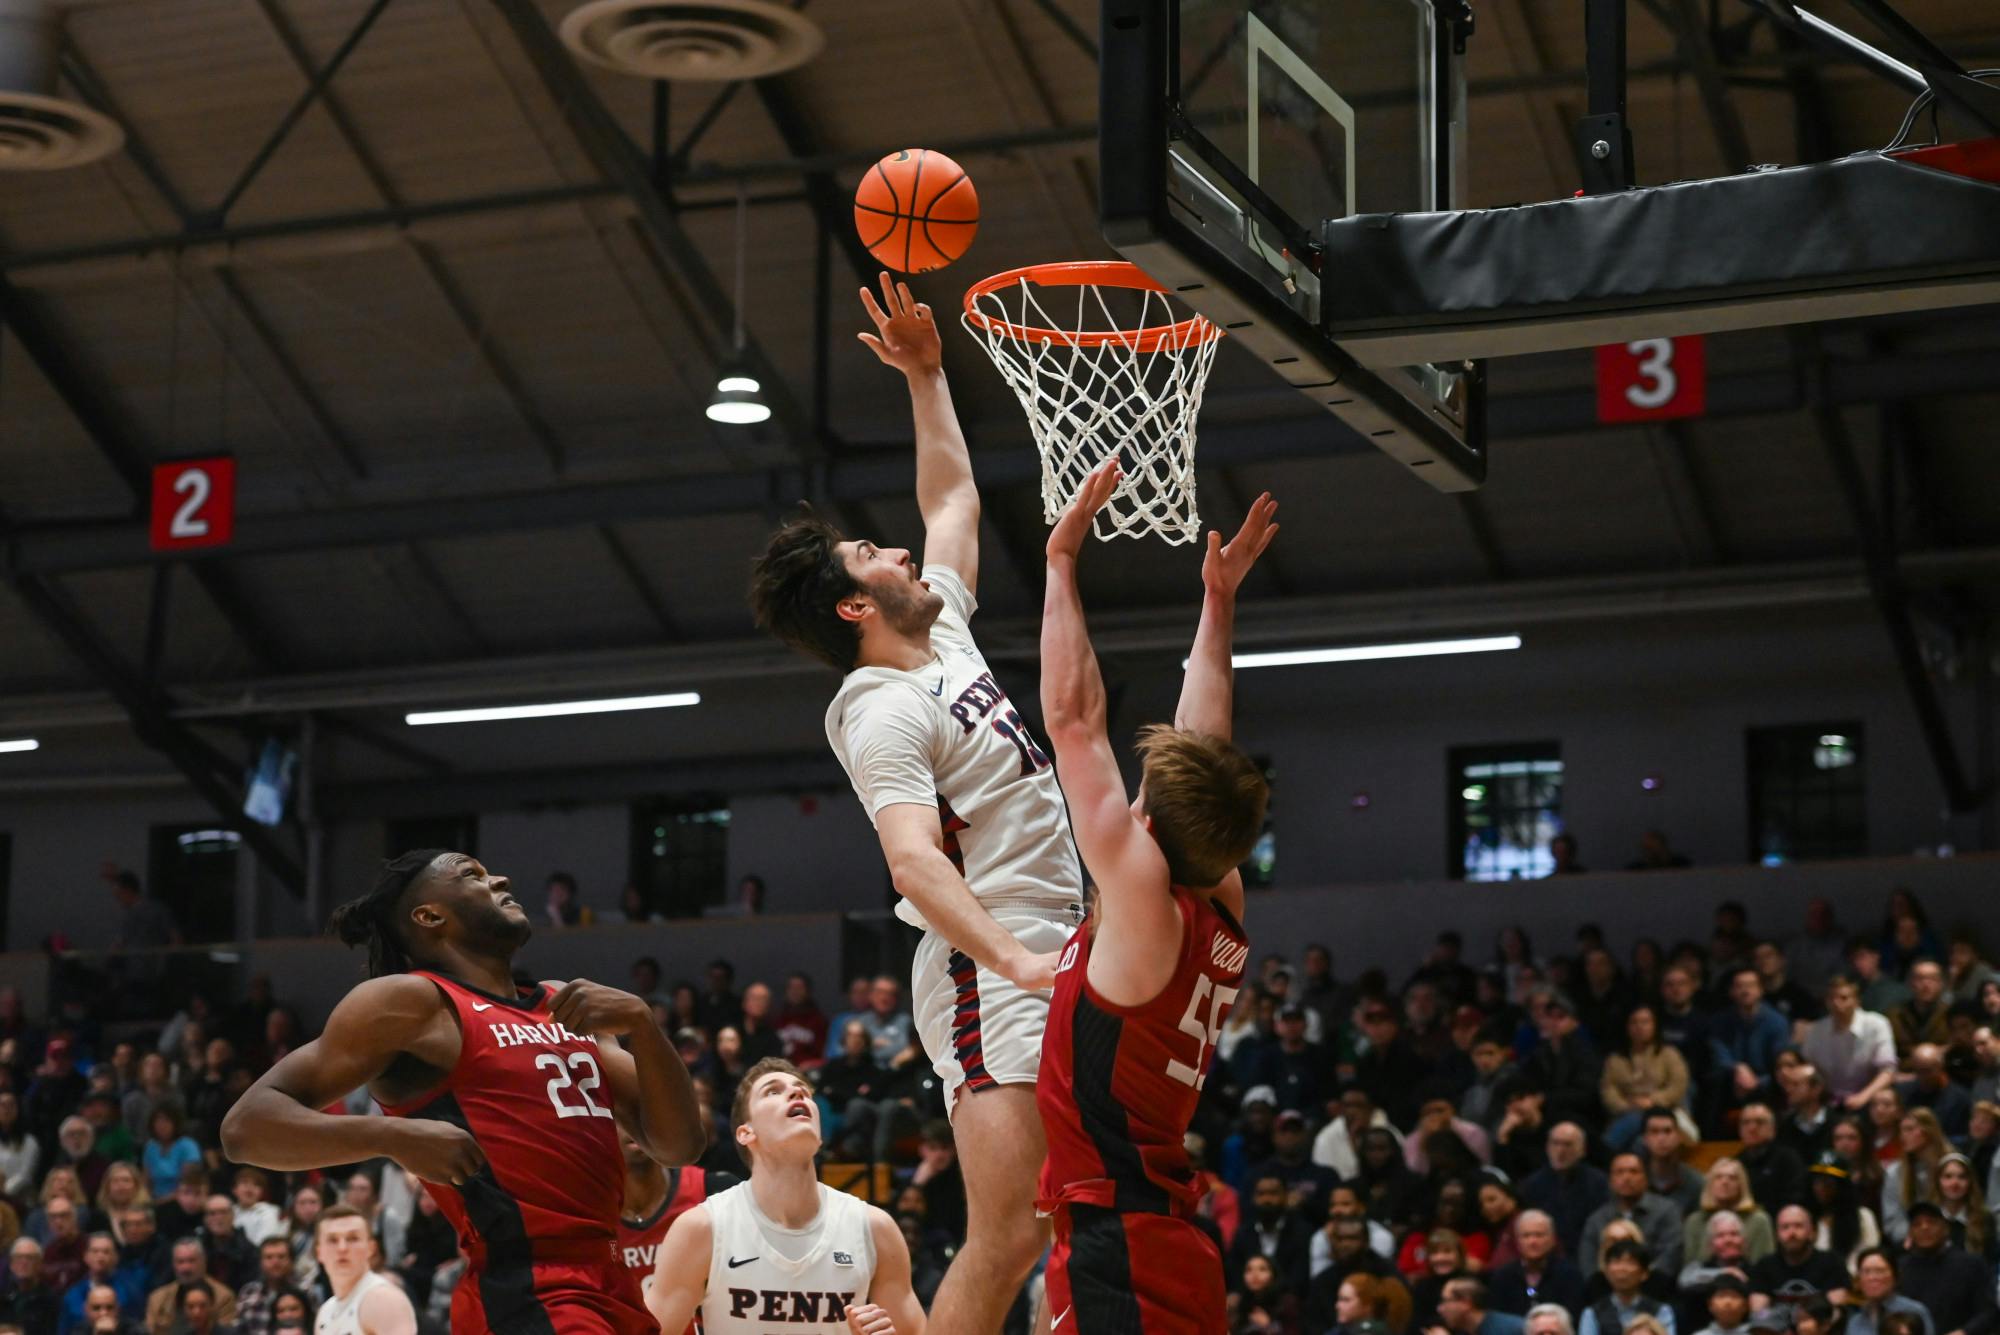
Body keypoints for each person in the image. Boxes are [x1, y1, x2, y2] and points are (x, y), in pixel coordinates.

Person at [751, 275, 1086, 1333]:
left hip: (1058, 939)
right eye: (874, 555)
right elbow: (911, 863)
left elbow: (950, 498)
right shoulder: (877, 708)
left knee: (1075, 1217)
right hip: (991, 967)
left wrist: (927, 375)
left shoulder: (940, 634)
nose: (902, 549)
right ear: (856, 605)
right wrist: (1017, 962)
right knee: (1013, 1232)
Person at [220, 850, 703, 1334]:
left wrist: (644, 1027)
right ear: (430, 916)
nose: (501, 876)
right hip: (529, 1287)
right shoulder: (411, 1002)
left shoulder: (564, 1004)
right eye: (472, 874)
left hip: (611, 1276)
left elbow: (679, 1144)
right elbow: (245, 1128)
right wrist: (392, 1138)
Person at [1034, 465, 1275, 1335]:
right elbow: (1204, 747)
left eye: (1139, 798)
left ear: (1147, 830)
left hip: (1124, 1241)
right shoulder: (1220, 889)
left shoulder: (1143, 905)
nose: (1127, 801)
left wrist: (1061, 560)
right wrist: (1217, 603)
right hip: (1152, 1230)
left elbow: (1072, 721)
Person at [645, 1058, 924, 1335]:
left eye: (802, 1089)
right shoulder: (702, 1228)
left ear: (820, 1136)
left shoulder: (875, 1229)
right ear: (745, 1133)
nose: (797, 1092)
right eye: (773, 1091)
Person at [615, 1127, 731, 1333]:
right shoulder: (587, 1217)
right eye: (620, 1116)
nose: (633, 1124)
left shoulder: (717, 1193)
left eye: (640, 1113)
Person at [1894, 1203, 1994, 1335]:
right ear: (1910, 1232)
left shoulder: (1971, 1264)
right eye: (1917, 1224)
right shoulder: (1901, 1268)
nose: (1924, 1228)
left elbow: (1989, 1311)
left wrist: (1965, 1332)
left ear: (1945, 1228)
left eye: (1931, 1222)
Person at [308, 1206, 412, 1335]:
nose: (342, 1248)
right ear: (319, 1252)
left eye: (352, 1238)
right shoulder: (325, 1311)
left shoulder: (384, 1299)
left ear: (371, 1248)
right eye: (333, 1240)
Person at [1602, 1008, 1690, 1154]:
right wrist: (1626, 1105)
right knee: (1637, 1142)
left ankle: (1604, 1152)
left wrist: (1652, 1101)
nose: (1640, 1027)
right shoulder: (1615, 1059)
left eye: (1645, 1022)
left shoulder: (1668, 1054)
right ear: (1627, 1027)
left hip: (1663, 1110)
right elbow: (1608, 1089)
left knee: (1640, 1118)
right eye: (1634, 1022)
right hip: (1626, 1111)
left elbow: (1678, 1085)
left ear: (1654, 1025)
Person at [1581, 1154, 1684, 1278]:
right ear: (1611, 1180)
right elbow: (1588, 1263)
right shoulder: (1597, 1219)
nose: (1626, 1177)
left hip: (1655, 1289)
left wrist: (1643, 1281)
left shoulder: (1666, 1211)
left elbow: (1670, 1255)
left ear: (1646, 1178)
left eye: (1634, 1172)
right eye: (1619, 1172)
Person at [1523, 1123, 1609, 1261]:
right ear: (1547, 1147)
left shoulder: (1599, 1183)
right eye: (1555, 1144)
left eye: (1567, 1145)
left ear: (1582, 1150)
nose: (1560, 1151)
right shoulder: (1532, 1185)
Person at [1746, 1206, 1849, 1312]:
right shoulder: (1764, 1266)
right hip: (1776, 1327)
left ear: (1812, 1233)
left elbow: (1836, 1314)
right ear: (1777, 1234)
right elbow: (1759, 1315)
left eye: (1798, 1226)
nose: (1792, 1233)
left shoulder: (1832, 1263)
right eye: (1785, 1227)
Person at [1486, 1211, 1585, 1318]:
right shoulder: (1502, 1277)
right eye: (1526, 1236)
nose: (1532, 1241)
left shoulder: (1570, 1276)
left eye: (1539, 1235)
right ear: (1517, 1242)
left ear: (1552, 1239)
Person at [1681, 1161, 1774, 1266]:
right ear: (1710, 1184)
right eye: (1718, 1177)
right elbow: (1689, 1269)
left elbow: (1765, 1267)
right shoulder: (1695, 1221)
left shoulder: (1759, 1221)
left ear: (1742, 1185)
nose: (1725, 1182)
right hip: (1703, 1279)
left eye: (1732, 1178)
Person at [1578, 1240, 1676, 1335]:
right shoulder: (1592, 1314)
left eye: (1630, 1262)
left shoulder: (1661, 1311)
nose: (1622, 1269)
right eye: (1616, 1262)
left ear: (1644, 1273)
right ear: (1606, 1271)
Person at [1881, 1110, 1949, 1244]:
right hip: (1910, 1243)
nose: (1902, 1137)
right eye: (1901, 1131)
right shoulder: (1895, 1173)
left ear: (1929, 1131)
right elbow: (1892, 1221)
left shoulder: (1952, 1168)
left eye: (1909, 1129)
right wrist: (1917, 1235)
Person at [145, 1239, 237, 1334]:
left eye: (191, 1261)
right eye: (180, 1262)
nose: (186, 1268)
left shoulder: (224, 1297)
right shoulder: (157, 1298)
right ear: (173, 1264)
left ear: (204, 1261)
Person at [1805, 1153, 1879, 1271]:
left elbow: (1868, 1258)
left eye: (1828, 1181)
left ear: (1842, 1185)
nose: (1821, 1187)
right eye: (1817, 1180)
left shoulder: (1863, 1217)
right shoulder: (1805, 1219)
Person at [1736, 1107, 1808, 1215]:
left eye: (1759, 1122)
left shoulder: (1788, 1160)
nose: (1752, 1128)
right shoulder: (1736, 1163)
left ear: (1773, 1129)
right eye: (1746, 1123)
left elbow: (1795, 1198)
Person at [1845, 1248, 1934, 1335]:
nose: (1872, 1277)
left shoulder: (1915, 1312)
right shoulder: (1855, 1322)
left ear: (1895, 1276)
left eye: (1879, 1271)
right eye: (1866, 1272)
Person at [1642, 1111, 1707, 1217]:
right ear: (1645, 1139)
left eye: (1667, 1131)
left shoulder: (1695, 1183)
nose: (1661, 1138)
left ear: (1679, 1137)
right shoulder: (1635, 1180)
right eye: (1654, 1132)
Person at [232, 1237, 299, 1335]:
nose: (275, 1262)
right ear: (260, 1262)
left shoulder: (305, 1291)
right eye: (269, 1257)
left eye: (281, 1257)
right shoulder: (249, 1292)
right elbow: (238, 1328)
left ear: (291, 1261)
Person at [1890, 963, 1951, 1057]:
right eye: (1920, 978)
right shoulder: (1895, 1015)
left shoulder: (1952, 1014)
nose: (1926, 984)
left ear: (1941, 983)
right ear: (1911, 983)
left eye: (1932, 979)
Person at [1435, 1276, 1527, 1335]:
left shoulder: (1511, 1330)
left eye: (1445, 1301)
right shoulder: (1466, 1331)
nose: (1440, 1309)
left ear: (1465, 1303)